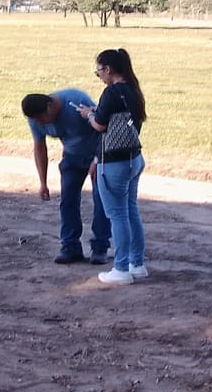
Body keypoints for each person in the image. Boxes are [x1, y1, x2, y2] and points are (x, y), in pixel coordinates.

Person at [76, 48, 149, 286]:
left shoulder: (112, 93)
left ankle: (120, 268)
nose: (99, 76)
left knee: (117, 215)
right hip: (134, 158)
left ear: (108, 69)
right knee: (131, 211)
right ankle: (136, 264)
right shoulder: (134, 91)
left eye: (98, 72)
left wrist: (88, 115)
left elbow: (100, 125)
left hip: (114, 162)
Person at [21, 89, 111, 264]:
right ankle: (70, 246)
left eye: (40, 118)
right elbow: (40, 147)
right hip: (72, 157)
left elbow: (104, 127)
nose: (39, 123)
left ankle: (100, 247)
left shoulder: (75, 101)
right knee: (67, 200)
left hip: (98, 155)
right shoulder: (35, 121)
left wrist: (97, 159)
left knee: (101, 200)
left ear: (49, 107)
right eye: (35, 120)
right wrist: (43, 182)